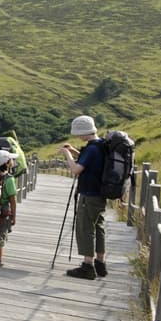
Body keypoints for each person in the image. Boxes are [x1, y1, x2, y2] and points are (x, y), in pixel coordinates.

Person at [59, 114, 107, 280]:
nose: (77, 137)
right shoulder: (101, 145)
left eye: (78, 134)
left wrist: (67, 154)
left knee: (85, 228)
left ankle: (88, 266)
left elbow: (76, 170)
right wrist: (75, 151)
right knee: (98, 226)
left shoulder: (92, 148)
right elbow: (92, 162)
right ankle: (100, 263)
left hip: (89, 195)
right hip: (100, 194)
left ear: (84, 132)